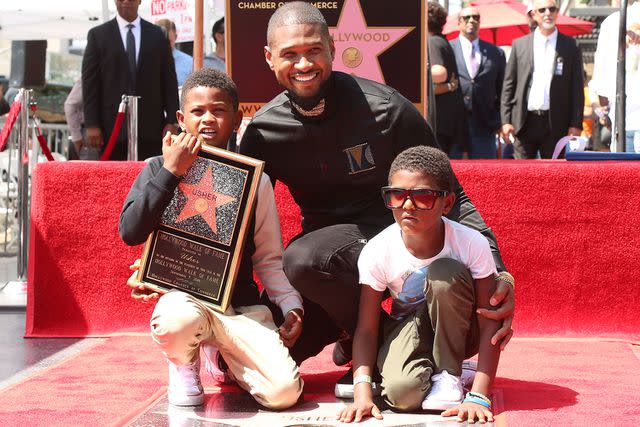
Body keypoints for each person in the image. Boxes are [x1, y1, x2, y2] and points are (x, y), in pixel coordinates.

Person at [240, 1, 515, 397]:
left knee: (299, 258)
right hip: (329, 274)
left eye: (313, 51)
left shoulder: (385, 108)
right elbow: (243, 222)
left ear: (332, 48)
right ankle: (357, 332)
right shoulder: (263, 131)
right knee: (257, 367)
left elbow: (455, 193)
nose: (304, 64)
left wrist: (500, 271)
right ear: (269, 58)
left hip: (399, 251)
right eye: (290, 54)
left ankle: (386, 346)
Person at [120, 69, 303, 409]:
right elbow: (130, 231)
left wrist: (290, 303)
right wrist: (171, 171)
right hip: (185, 304)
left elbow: (267, 258)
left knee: (283, 393)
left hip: (240, 310)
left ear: (236, 119)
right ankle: (183, 361)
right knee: (178, 319)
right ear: (180, 118)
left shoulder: (255, 181)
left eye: (219, 110)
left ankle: (220, 357)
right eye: (197, 111)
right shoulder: (158, 168)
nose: (208, 119)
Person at [337, 146, 502, 423]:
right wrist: (362, 394)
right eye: (397, 195)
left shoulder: (471, 243)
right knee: (402, 396)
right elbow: (366, 329)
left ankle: (451, 374)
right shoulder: (378, 250)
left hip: (461, 329)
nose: (408, 206)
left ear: (447, 203)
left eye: (422, 196)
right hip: (409, 328)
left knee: (445, 272)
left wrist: (479, 395)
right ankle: (435, 369)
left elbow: (489, 322)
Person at [82, 0, 180, 161]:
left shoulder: (157, 35)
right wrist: (92, 124)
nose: (126, 1)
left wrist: (172, 121)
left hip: (151, 127)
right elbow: (90, 83)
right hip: (110, 129)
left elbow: (169, 79)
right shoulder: (98, 35)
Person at [500, 0, 584, 159]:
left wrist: (575, 123)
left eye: (552, 9)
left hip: (556, 123)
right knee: (522, 176)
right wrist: (505, 120)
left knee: (555, 177)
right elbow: (508, 85)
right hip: (524, 122)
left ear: (557, 12)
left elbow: (577, 88)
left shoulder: (571, 45)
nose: (547, 13)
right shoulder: (520, 44)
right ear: (534, 14)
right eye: (542, 10)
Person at [450, 7, 506, 159]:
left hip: (485, 124)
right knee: (450, 174)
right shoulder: (448, 48)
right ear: (459, 22)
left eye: (475, 17)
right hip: (454, 124)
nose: (471, 21)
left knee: (486, 175)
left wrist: (501, 120)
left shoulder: (496, 52)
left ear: (480, 22)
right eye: (467, 18)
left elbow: (503, 90)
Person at [590, 0, 640, 152]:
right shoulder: (611, 24)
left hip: (622, 121)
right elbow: (600, 77)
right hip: (621, 121)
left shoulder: (610, 23)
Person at [427, 1, 470, 158]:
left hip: (441, 120)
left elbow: (440, 73)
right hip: (450, 119)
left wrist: (416, 71)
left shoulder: (433, 42)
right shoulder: (442, 41)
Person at [155, 18, 193, 87]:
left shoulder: (189, 63)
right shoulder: (145, 61)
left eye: (168, 41)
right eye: (160, 41)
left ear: (175, 37)